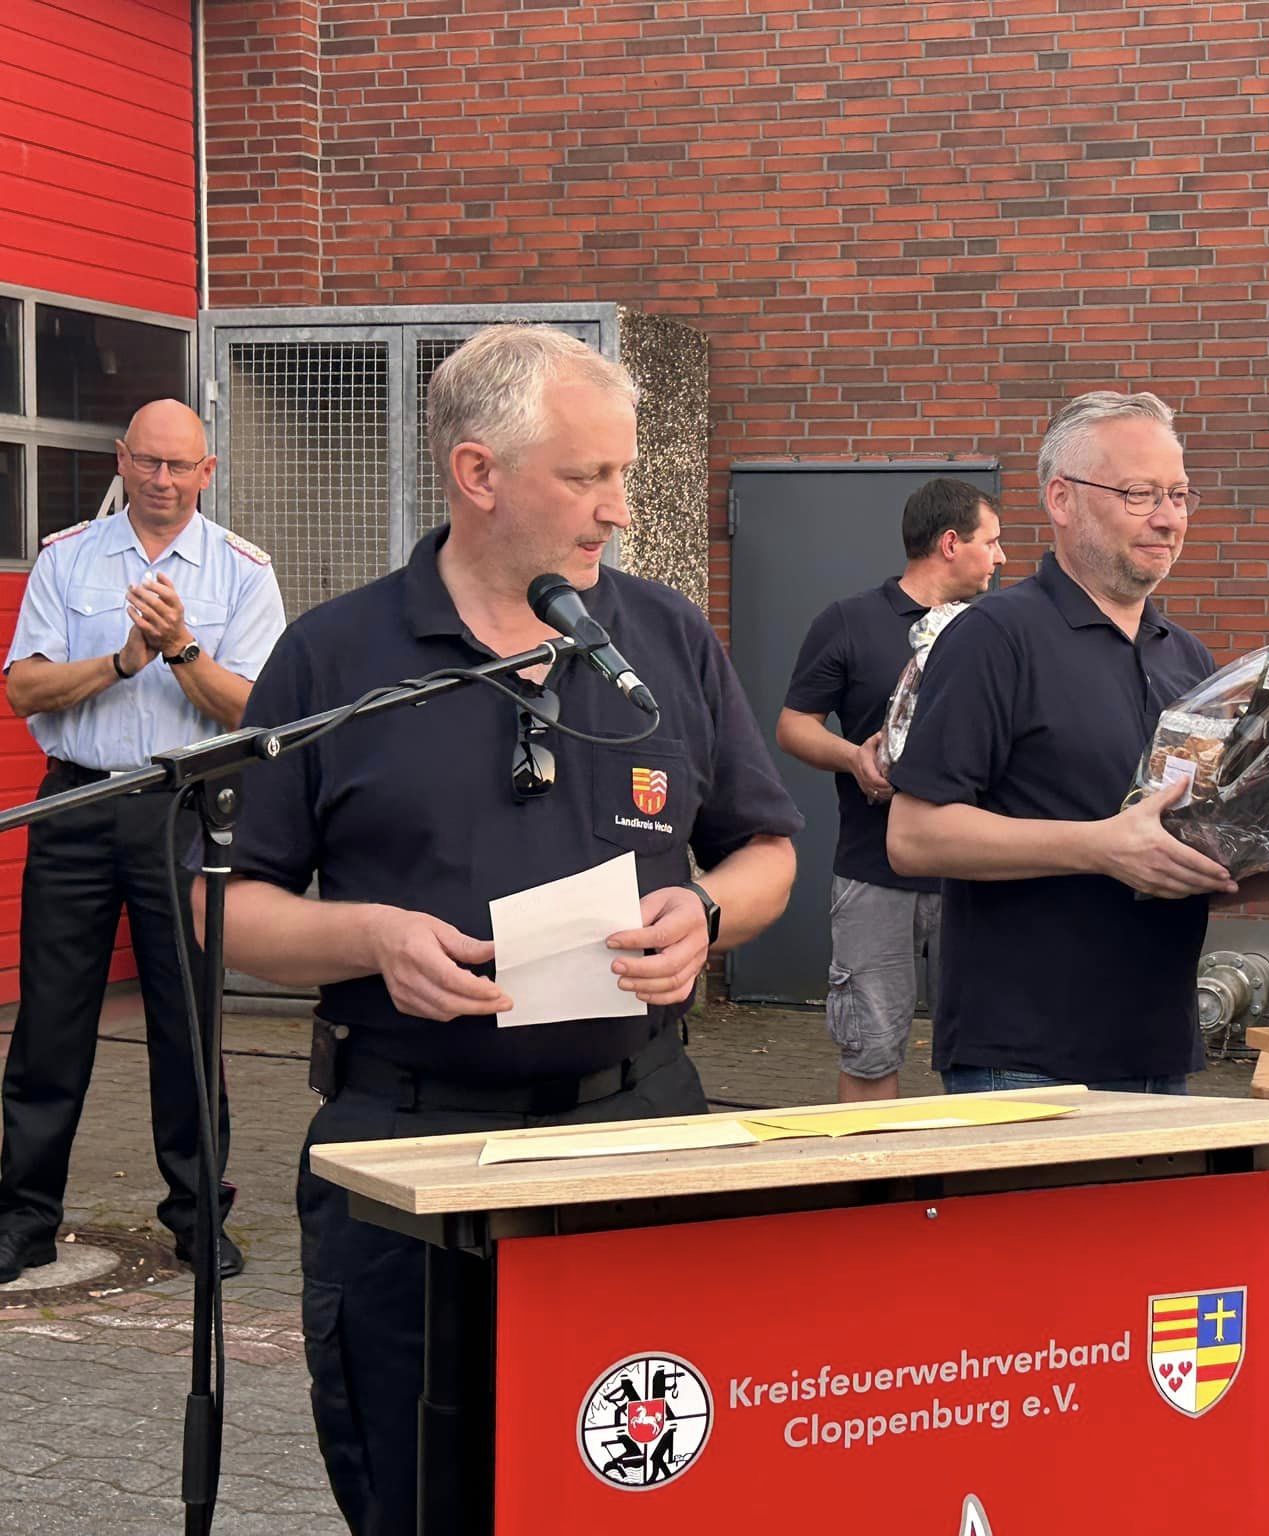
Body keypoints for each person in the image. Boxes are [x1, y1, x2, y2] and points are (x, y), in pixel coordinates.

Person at [216, 326, 800, 1535]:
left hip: (636, 1127)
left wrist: (706, 912)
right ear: (477, 473)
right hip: (409, 1146)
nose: (617, 509)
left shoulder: (663, 638)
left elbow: (768, 852)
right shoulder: (336, 655)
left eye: (621, 474)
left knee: (644, 1492)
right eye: (586, 477)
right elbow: (228, 906)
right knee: (418, 1490)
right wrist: (370, 938)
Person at [886, 391, 1269, 1093]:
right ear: (1062, 500)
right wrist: (1099, 846)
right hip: (1024, 1060)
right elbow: (914, 837)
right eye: (1139, 494)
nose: (1168, 517)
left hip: (1159, 1051)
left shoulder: (1187, 659)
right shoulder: (993, 638)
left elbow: (1178, 868)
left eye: (1178, 495)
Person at [0, 399, 285, 1286]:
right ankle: (24, 1219)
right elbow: (24, 689)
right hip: (77, 802)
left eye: (180, 466)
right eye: (148, 462)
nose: (163, 480)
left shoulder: (243, 572)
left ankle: (198, 1219)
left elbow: (257, 713)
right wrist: (122, 661)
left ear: (208, 471)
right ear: (122, 460)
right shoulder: (68, 558)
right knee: (50, 1023)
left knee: (187, 1020)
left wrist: (180, 647)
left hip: (184, 808)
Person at [776, 477, 1004, 1101]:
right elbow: (794, 725)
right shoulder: (849, 621)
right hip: (874, 873)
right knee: (870, 1051)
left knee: (992, 1053)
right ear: (951, 543)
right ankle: (869, 1165)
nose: (1001, 556)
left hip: (977, 877)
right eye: (991, 542)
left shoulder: (997, 629)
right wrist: (854, 758)